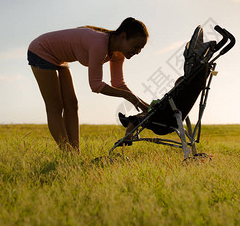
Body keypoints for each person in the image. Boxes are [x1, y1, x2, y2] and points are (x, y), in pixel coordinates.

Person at [27, 17, 149, 152]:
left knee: (72, 104)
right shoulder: (99, 45)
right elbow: (96, 85)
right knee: (55, 107)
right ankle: (68, 153)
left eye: (141, 49)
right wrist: (130, 97)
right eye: (136, 46)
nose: (137, 52)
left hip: (60, 59)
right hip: (41, 51)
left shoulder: (118, 54)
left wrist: (142, 105)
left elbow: (118, 84)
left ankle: (75, 153)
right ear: (123, 36)